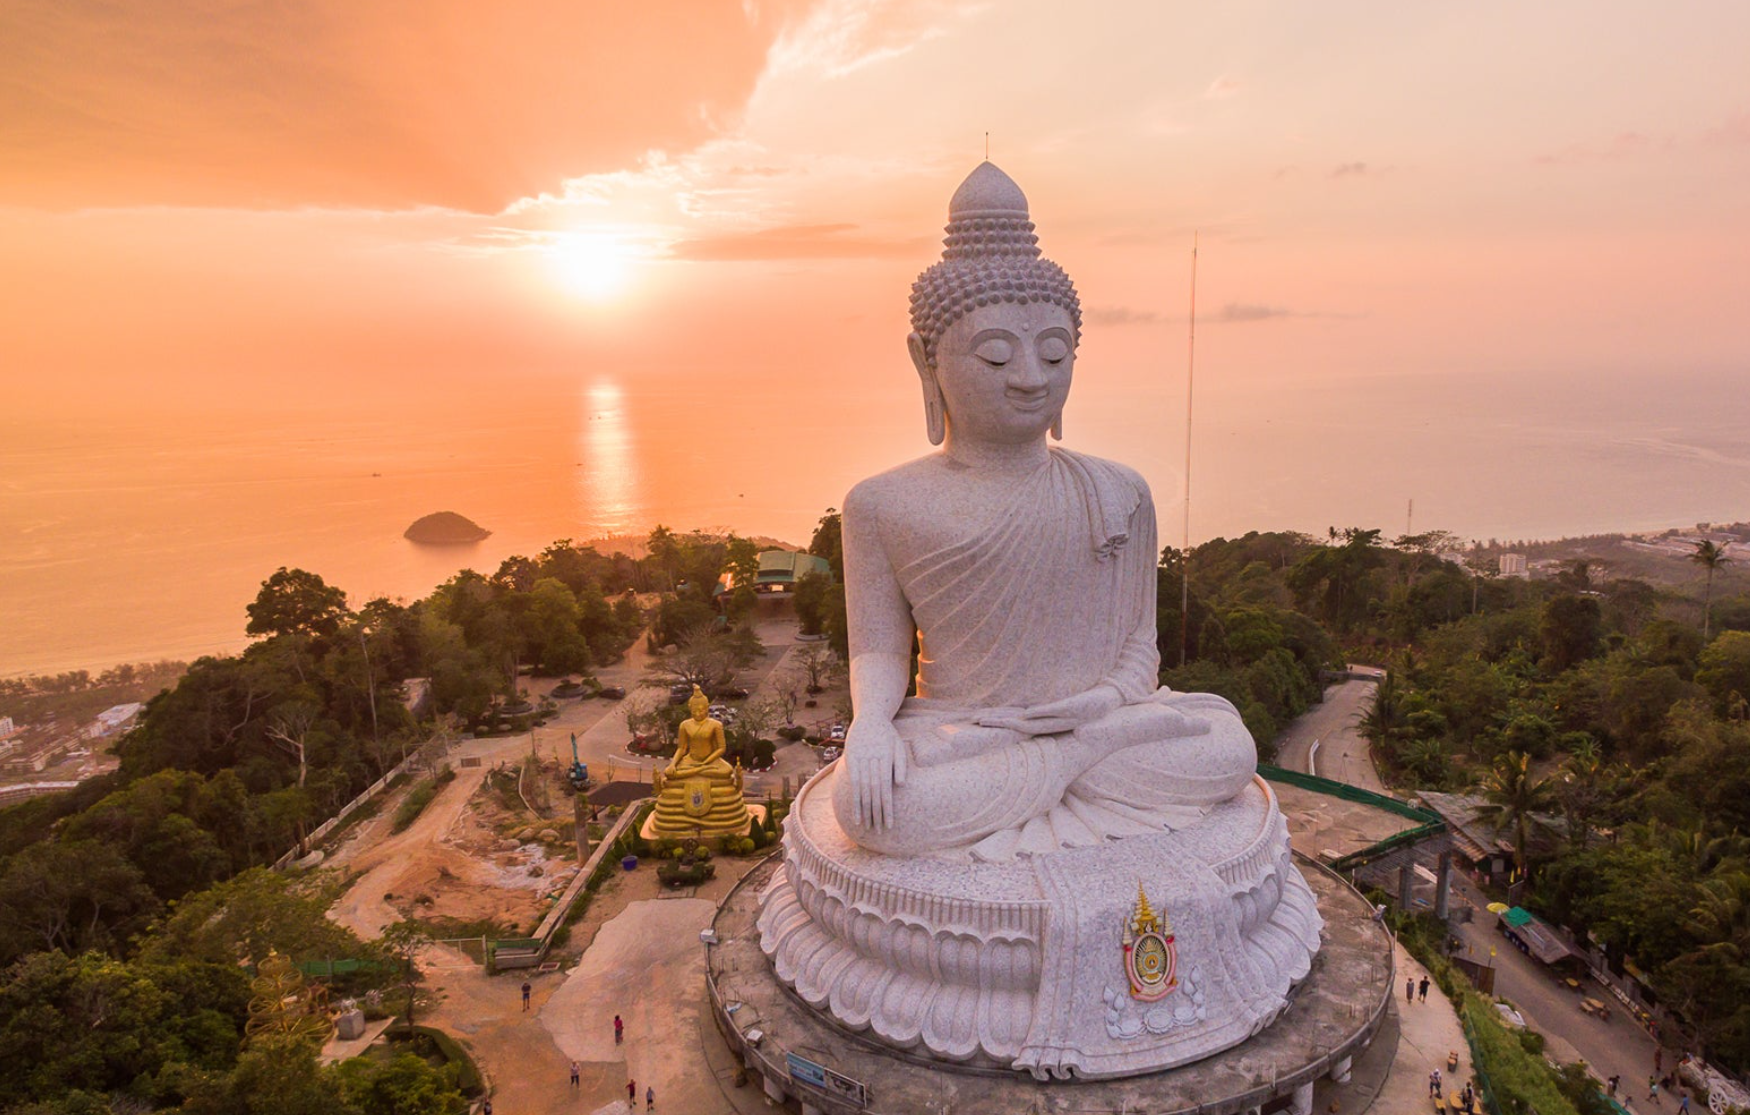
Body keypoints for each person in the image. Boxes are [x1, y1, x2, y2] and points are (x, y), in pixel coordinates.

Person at [830, 162, 1255, 861]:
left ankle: (1067, 763)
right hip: (966, 732)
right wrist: (870, 724)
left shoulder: (1120, 490)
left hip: (1100, 722)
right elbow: (879, 648)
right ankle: (1070, 768)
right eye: (996, 356)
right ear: (924, 362)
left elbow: (1138, 648)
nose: (1031, 376)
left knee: (1227, 745)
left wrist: (1096, 709)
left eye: (1054, 352)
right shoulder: (881, 504)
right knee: (871, 804)